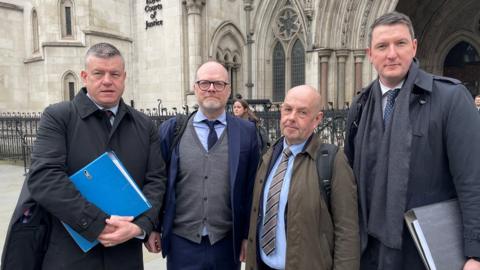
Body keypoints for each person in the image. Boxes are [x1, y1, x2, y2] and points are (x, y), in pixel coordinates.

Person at [344, 11, 480, 270]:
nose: (391, 54)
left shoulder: (450, 99)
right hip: (369, 253)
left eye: (400, 43)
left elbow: (473, 181)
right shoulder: (360, 106)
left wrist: (476, 254)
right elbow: (350, 180)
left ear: (414, 46)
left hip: (425, 253)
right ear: (370, 54)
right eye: (382, 46)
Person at [20, 43, 167, 269]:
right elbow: (44, 178)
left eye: (115, 74)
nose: (107, 80)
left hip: (125, 256)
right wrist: (97, 223)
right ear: (84, 76)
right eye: (98, 73)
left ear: (124, 77)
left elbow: (156, 181)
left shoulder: (144, 125)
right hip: (69, 256)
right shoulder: (59, 117)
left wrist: (141, 226)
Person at [145, 61, 260, 270]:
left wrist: (246, 236)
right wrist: (153, 227)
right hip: (182, 244)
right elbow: (158, 181)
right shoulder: (172, 130)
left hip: (226, 244)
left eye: (218, 84)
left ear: (229, 90)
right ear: (196, 87)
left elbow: (251, 188)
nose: (211, 89)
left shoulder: (246, 133)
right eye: (205, 83)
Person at [245, 85, 360, 270]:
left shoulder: (332, 161)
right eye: (288, 109)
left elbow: (347, 232)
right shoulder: (269, 155)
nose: (291, 118)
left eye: (302, 113)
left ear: (317, 119)